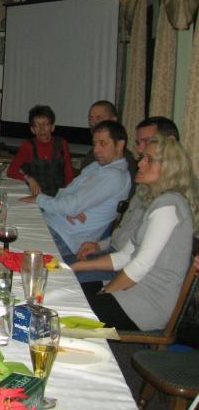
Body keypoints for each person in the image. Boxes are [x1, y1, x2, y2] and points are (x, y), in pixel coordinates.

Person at [72, 136, 198, 331]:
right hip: (136, 290)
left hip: (149, 303)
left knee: (69, 313)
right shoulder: (157, 202)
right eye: (142, 158)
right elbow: (126, 256)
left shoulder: (168, 206)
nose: (140, 164)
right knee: (69, 293)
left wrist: (105, 292)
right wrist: (76, 267)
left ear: (169, 168)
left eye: (149, 159)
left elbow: (140, 265)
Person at [73, 117, 182, 282]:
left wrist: (104, 286)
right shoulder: (145, 186)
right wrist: (99, 245)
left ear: (170, 143)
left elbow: (133, 259)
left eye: (147, 142)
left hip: (126, 270)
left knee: (59, 275)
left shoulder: (170, 201)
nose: (140, 150)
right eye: (138, 143)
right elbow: (126, 233)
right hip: (112, 254)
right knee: (53, 266)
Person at [24, 120, 131, 262]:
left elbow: (69, 206)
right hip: (55, 221)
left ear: (120, 145)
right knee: (10, 219)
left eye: (103, 144)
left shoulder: (114, 176)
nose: (96, 150)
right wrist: (68, 208)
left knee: (11, 239)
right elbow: (65, 195)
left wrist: (39, 199)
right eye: (95, 144)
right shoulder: (97, 166)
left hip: (65, 237)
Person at [7, 105, 73, 196]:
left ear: (52, 127)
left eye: (46, 124)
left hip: (61, 196)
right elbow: (11, 172)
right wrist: (29, 178)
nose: (42, 129)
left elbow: (69, 173)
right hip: (37, 196)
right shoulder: (27, 146)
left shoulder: (62, 144)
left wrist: (70, 194)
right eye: (37, 125)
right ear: (32, 130)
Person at [80, 100, 137, 183]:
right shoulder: (92, 153)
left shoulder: (124, 159)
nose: (93, 123)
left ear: (113, 120)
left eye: (99, 118)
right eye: (90, 119)